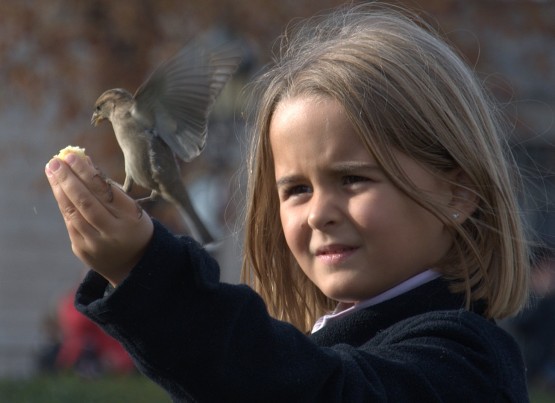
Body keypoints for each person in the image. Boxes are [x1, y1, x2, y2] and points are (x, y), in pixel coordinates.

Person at [45, 4, 530, 402]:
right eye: (297, 189)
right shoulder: (323, 346)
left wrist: (148, 272)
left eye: (354, 179)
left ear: (456, 193)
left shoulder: (466, 362)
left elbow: (317, 391)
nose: (320, 213)